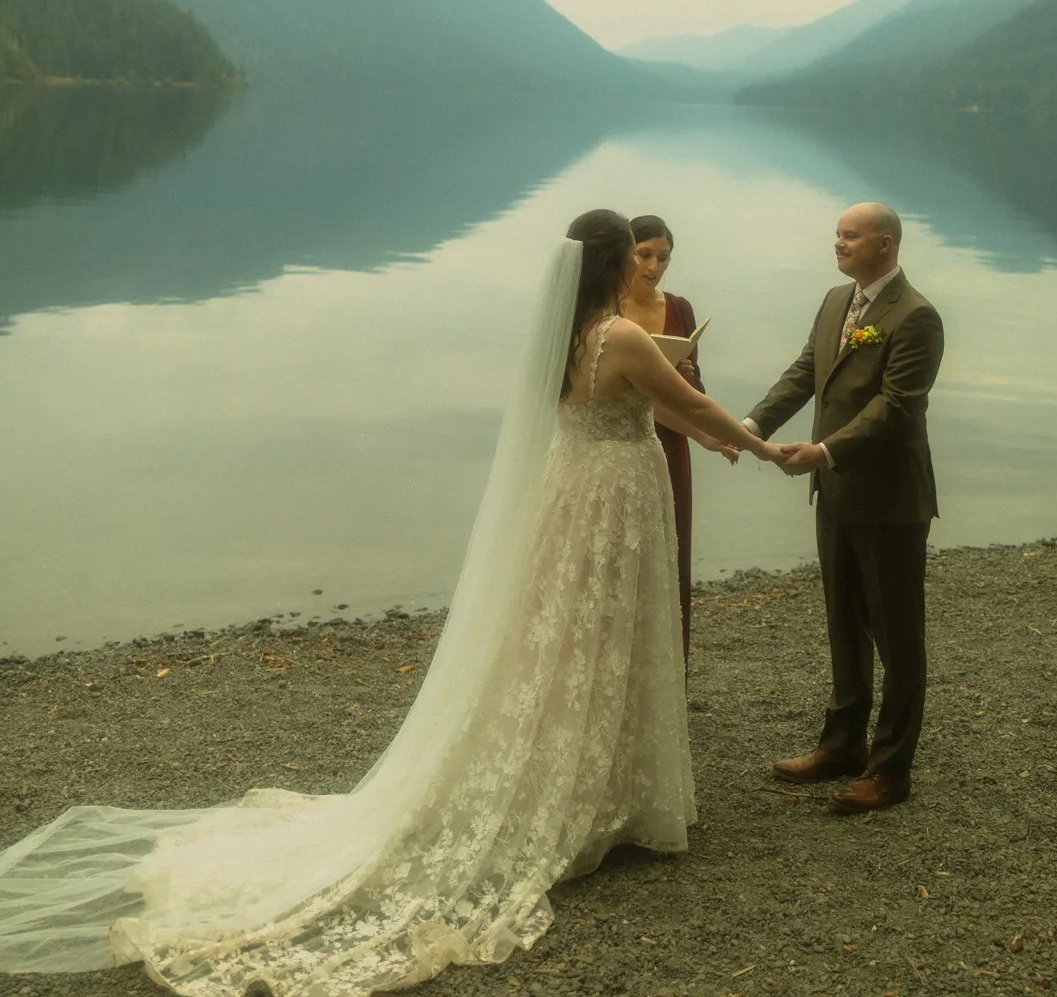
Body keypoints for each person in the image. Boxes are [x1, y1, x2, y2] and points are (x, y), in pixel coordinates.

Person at [0, 210, 777, 992]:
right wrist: (760, 445)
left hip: (571, 493)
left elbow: (659, 403)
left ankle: (596, 778)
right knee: (607, 637)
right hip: (614, 497)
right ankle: (601, 792)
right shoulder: (626, 337)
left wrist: (709, 437)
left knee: (567, 641)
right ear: (615, 266)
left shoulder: (565, 336)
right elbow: (690, 402)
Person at [744, 201, 944, 814]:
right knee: (844, 621)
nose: (838, 244)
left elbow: (897, 406)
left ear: (885, 244)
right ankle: (842, 746)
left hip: (888, 499)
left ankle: (890, 772)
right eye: (837, 235)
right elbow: (807, 371)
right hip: (834, 493)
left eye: (850, 237)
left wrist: (826, 450)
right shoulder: (837, 301)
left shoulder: (916, 316)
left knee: (897, 635)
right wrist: (750, 424)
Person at [623, 213, 735, 662]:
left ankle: (670, 672)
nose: (653, 267)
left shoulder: (679, 308)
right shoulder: (604, 309)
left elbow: (695, 395)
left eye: (663, 257)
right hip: (622, 438)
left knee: (671, 556)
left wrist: (686, 377)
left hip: (672, 446)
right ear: (623, 254)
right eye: (644, 255)